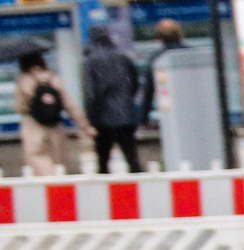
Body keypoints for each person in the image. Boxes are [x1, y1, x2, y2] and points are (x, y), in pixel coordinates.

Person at [83, 29, 146, 174]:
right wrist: (127, 101)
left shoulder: (90, 61)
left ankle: (104, 192)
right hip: (126, 115)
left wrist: (91, 120)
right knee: (132, 159)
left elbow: (91, 94)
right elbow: (135, 83)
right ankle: (140, 189)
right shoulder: (123, 58)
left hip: (103, 119)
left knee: (103, 162)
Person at [15, 47, 83, 176]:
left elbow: (19, 107)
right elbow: (69, 104)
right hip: (55, 126)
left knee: (39, 160)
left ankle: (49, 189)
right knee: (59, 163)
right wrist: (84, 125)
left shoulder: (24, 80)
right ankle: (60, 188)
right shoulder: (54, 79)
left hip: (33, 127)